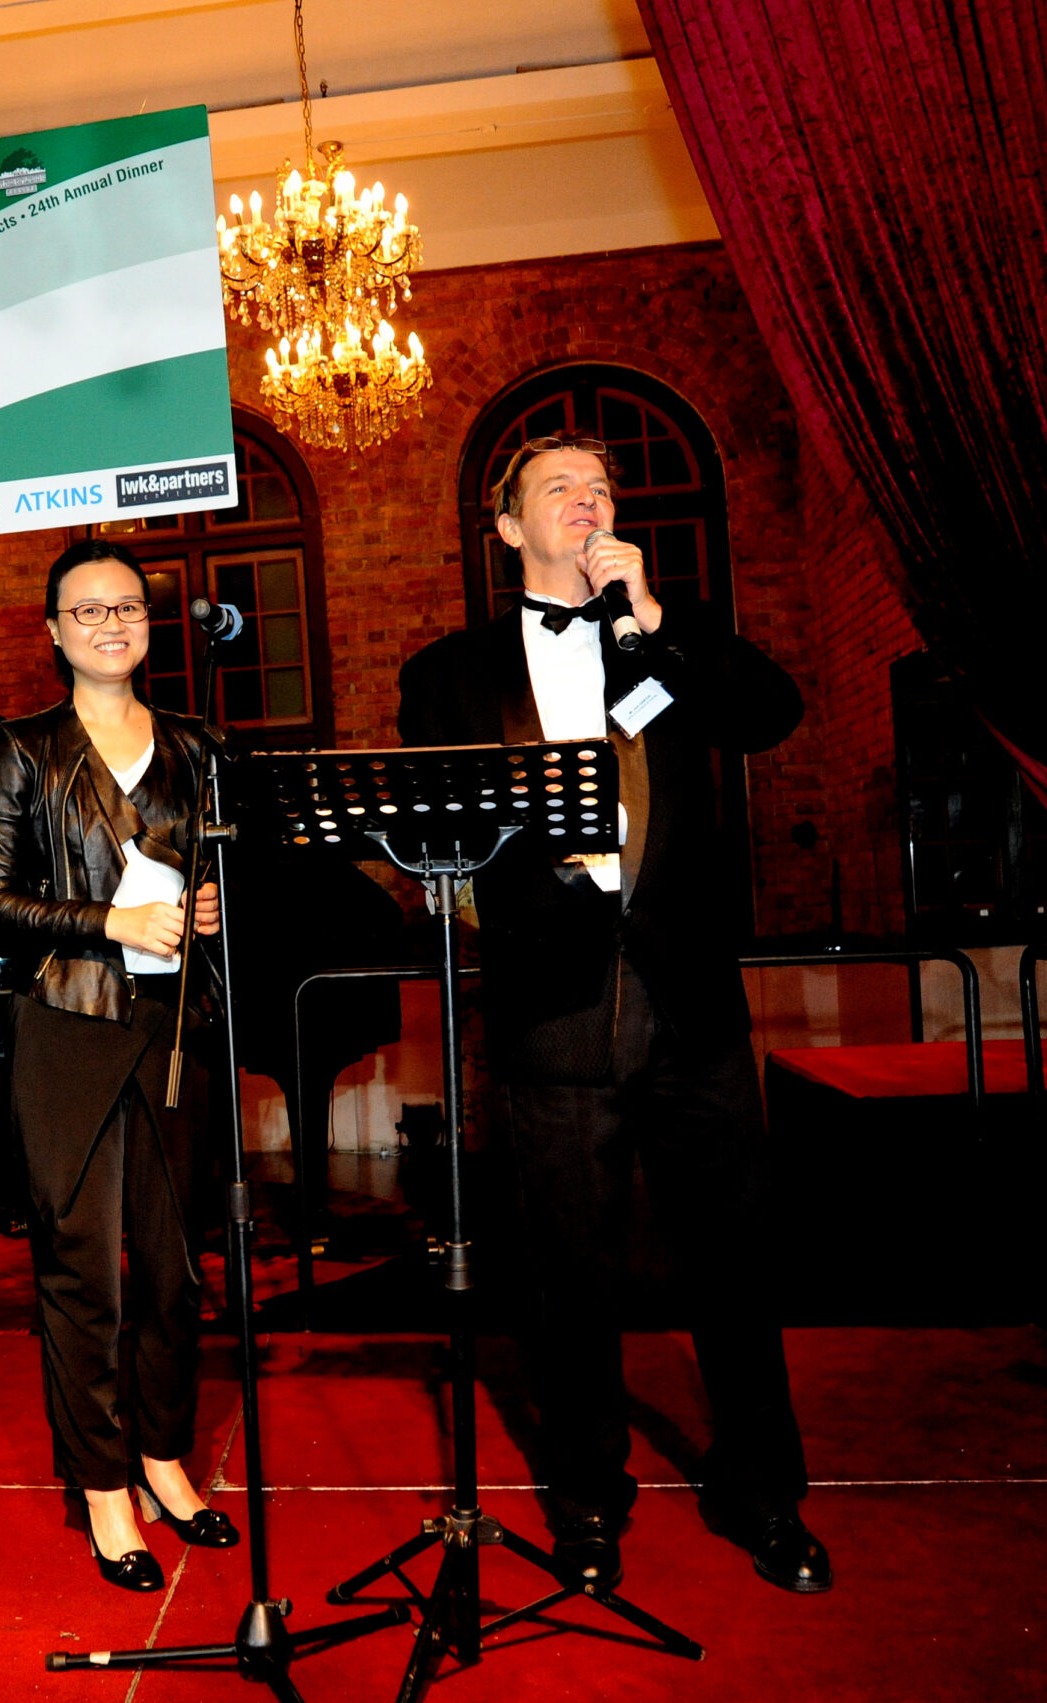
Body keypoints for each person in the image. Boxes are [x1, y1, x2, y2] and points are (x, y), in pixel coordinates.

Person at [397, 434, 831, 1596]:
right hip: (551, 1005)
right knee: (568, 1279)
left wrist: (651, 620)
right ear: (507, 528)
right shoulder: (448, 673)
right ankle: (589, 1497)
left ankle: (761, 1490)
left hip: (689, 1005)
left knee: (733, 1265)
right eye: (559, 489)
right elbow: (431, 832)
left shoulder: (664, 639)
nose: (586, 502)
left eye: (600, 488)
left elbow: (771, 712)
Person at [0, 537, 240, 1592]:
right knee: (84, 1270)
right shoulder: (24, 749)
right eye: (85, 610)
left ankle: (164, 1455)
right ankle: (101, 1484)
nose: (109, 623)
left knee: (175, 1269)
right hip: (67, 1030)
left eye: (125, 605)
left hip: (174, 1025)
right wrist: (108, 919)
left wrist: (212, 909)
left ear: (148, 619)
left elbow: (233, 876)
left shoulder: (198, 745)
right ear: (53, 631)